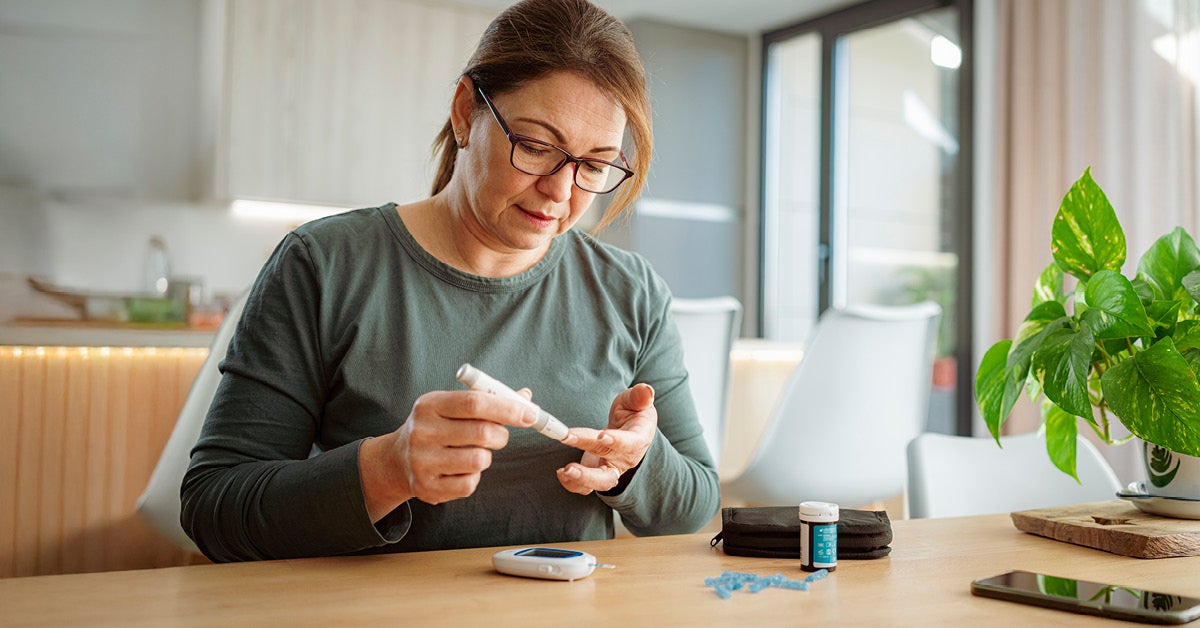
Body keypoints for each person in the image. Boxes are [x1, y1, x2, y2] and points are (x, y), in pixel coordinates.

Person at [181, 0, 720, 563]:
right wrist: (387, 470)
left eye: (594, 165)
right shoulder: (323, 265)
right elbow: (213, 509)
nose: (561, 194)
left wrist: (636, 464)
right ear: (466, 112)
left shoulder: (629, 291)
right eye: (535, 147)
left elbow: (695, 506)